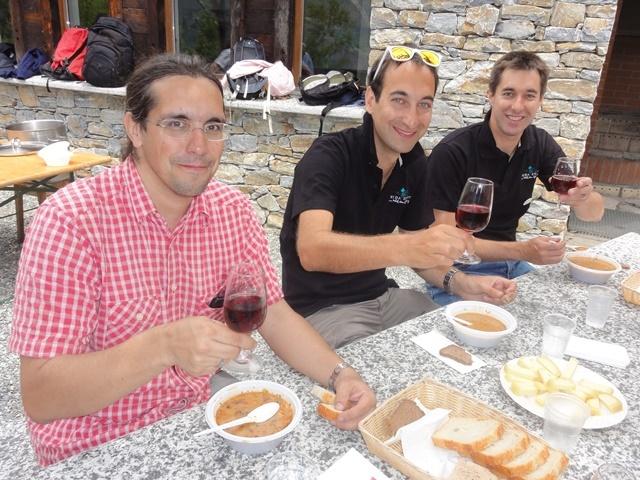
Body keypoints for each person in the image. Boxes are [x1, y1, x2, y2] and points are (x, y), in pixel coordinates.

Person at [9, 53, 376, 466]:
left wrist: (340, 374)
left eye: (213, 127)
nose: (199, 147)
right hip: (94, 447)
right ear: (135, 129)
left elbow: (273, 312)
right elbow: (41, 395)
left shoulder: (232, 211)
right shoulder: (70, 222)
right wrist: (164, 346)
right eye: (177, 124)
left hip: (194, 422)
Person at [279, 45, 517, 349]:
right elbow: (313, 250)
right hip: (322, 309)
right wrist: (408, 247)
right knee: (382, 369)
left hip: (385, 297)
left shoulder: (414, 162)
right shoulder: (328, 156)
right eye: (399, 100)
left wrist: (463, 284)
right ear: (370, 99)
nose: (412, 119)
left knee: (457, 342)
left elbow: (419, 253)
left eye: (424, 104)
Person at [424, 51, 605, 306]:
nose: (518, 106)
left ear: (540, 100)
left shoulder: (539, 143)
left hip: (513, 266)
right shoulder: (453, 151)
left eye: (529, 95)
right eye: (508, 93)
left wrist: (582, 197)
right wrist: (524, 250)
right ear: (491, 94)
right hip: (459, 271)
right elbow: (444, 240)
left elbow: (593, 215)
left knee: (570, 308)